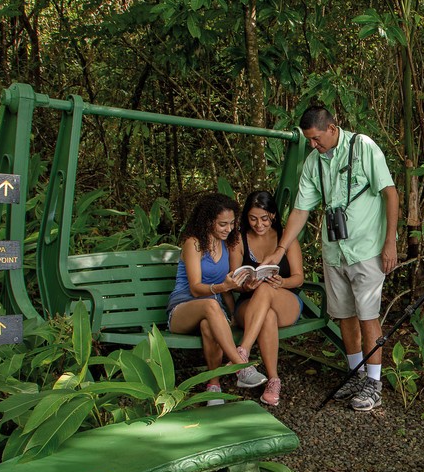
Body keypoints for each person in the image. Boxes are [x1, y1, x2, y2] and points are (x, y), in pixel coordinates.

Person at [264, 105, 398, 412]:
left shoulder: (362, 146)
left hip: (367, 247)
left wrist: (390, 241)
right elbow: (301, 210)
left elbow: (390, 192)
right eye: (309, 140)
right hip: (335, 249)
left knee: (368, 316)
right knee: (344, 315)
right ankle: (355, 373)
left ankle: (374, 383)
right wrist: (281, 249)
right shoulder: (314, 162)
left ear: (332, 129)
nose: (312, 144)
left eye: (315, 138)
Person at [165, 192, 252, 405]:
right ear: (207, 221)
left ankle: (213, 385)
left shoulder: (226, 244)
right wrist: (223, 286)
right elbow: (195, 289)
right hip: (182, 309)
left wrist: (231, 313)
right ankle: (240, 366)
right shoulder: (193, 243)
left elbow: (226, 289)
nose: (228, 229)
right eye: (223, 224)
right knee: (211, 306)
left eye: (231, 223)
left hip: (211, 310)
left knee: (209, 324)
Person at [230, 190, 304, 407]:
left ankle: (242, 352)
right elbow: (235, 280)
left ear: (273, 215)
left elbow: (298, 278)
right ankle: (273, 380)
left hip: (285, 299)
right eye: (253, 218)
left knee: (266, 290)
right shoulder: (239, 239)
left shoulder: (285, 238)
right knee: (266, 314)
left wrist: (282, 282)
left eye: (264, 218)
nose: (259, 224)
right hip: (249, 304)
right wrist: (246, 285)